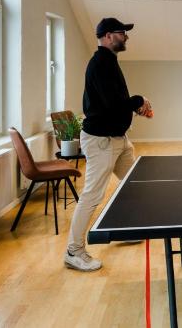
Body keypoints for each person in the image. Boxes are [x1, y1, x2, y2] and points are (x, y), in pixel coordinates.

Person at [64, 17, 152, 272]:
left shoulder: (110, 61)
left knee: (133, 184)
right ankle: (73, 251)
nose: (126, 36)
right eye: (122, 32)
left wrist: (134, 107)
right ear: (108, 36)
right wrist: (138, 100)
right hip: (101, 141)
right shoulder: (100, 64)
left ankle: (123, 229)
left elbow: (112, 103)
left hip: (118, 139)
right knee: (92, 196)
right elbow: (113, 105)